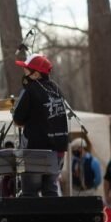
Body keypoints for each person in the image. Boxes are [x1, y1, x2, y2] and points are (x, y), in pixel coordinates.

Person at [12, 54, 69, 197]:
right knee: (51, 192)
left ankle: (33, 220)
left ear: (36, 74)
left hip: (36, 151)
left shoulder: (30, 90)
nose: (24, 73)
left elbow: (18, 120)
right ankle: (52, 220)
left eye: (26, 69)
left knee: (30, 193)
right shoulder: (57, 89)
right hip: (57, 151)